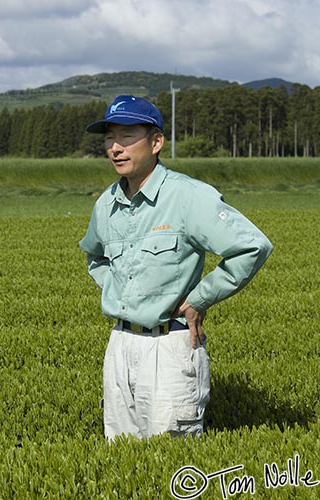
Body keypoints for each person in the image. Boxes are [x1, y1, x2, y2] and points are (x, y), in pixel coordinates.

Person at [79, 95, 273, 440]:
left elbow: (251, 247)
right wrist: (120, 291)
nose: (115, 148)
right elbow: (95, 255)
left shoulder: (188, 196)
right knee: (119, 464)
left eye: (126, 136)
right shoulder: (106, 202)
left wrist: (200, 299)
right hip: (120, 346)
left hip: (169, 347)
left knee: (171, 462)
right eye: (109, 138)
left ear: (156, 142)